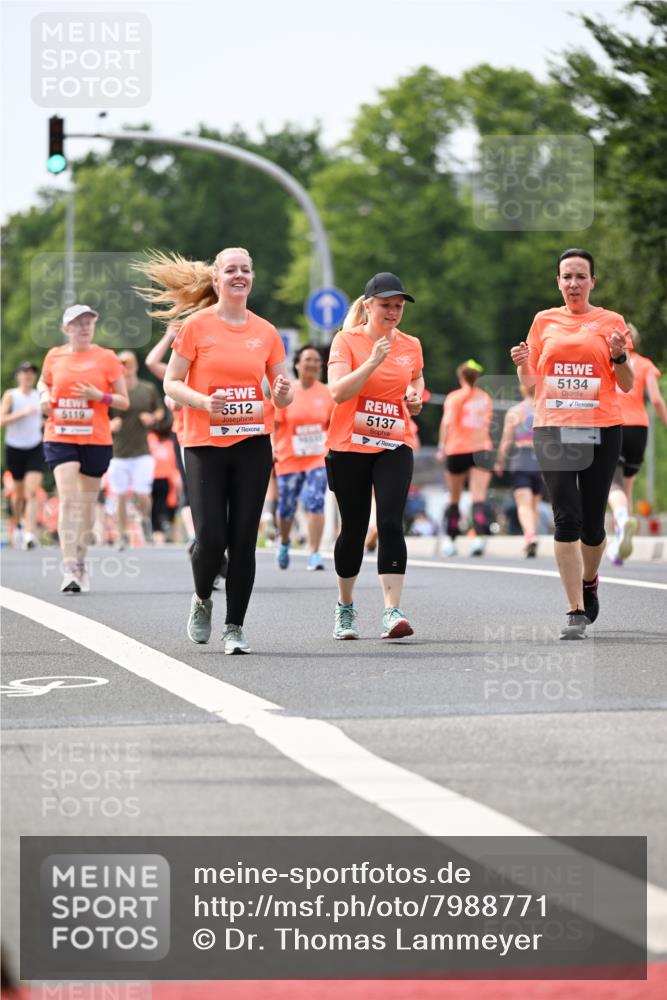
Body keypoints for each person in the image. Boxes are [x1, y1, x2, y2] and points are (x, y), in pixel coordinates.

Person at [134, 247, 292, 654]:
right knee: (211, 537)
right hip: (204, 443)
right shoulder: (197, 327)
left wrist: (282, 392)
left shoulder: (267, 332)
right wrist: (203, 402)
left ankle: (235, 627)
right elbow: (171, 382)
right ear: (217, 278)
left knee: (244, 539)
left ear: (252, 277)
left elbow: (281, 392)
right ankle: (202, 597)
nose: (239, 276)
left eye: (245, 270)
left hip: (253, 441)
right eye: (231, 270)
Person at [510, 248, 633, 639]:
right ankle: (574, 609)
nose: (574, 283)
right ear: (558, 282)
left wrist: (618, 357)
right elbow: (529, 384)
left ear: (592, 281)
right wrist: (521, 363)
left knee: (593, 523)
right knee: (566, 516)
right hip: (553, 428)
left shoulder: (611, 322)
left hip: (601, 427)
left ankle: (590, 579)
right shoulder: (543, 321)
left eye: (581, 276)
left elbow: (628, 385)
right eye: (567, 276)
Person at [327, 272, 424, 640]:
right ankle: (345, 607)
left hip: (393, 444)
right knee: (353, 530)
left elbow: (415, 379)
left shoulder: (410, 344)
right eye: (386, 305)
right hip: (349, 445)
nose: (393, 312)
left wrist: (415, 397)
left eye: (398, 306)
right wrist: (371, 361)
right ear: (368, 306)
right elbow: (338, 392)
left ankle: (391, 611)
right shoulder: (346, 341)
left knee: (390, 522)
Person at [37, 305, 129, 592]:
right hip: (60, 434)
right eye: (78, 323)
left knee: (87, 504)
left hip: (95, 437)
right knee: (68, 498)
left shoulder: (107, 358)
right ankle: (69, 567)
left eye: (89, 322)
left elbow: (123, 402)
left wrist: (97, 396)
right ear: (67, 329)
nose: (84, 327)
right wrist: (43, 394)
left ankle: (81, 559)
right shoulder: (54, 355)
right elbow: (44, 381)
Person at [607, 323, 667, 565]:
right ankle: (619, 545)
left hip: (613, 424)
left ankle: (621, 520)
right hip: (639, 428)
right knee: (627, 486)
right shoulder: (645, 365)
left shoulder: (607, 361)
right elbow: (656, 400)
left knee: (612, 483)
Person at [273, 344, 334, 571]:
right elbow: (273, 424)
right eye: (307, 359)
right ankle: (285, 542)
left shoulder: (327, 393)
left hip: (317, 457)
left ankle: (314, 552)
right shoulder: (288, 392)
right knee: (286, 507)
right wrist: (272, 449)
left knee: (316, 500)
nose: (312, 364)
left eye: (316, 360)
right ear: (297, 364)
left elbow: (332, 425)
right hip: (289, 457)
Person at [437, 360, 494, 557]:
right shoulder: (485, 398)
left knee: (455, 498)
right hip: (481, 449)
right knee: (479, 497)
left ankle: (451, 541)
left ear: (461, 377)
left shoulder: (454, 397)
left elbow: (447, 423)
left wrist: (441, 447)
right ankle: (478, 539)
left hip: (457, 449)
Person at [108, 351, 163, 548]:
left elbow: (159, 409)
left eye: (129, 363)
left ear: (135, 366)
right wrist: (110, 423)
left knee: (143, 493)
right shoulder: (112, 390)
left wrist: (153, 418)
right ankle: (122, 534)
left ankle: (144, 517)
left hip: (142, 451)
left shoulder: (147, 389)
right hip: (119, 452)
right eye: (122, 364)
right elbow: (102, 414)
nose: (126, 367)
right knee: (120, 495)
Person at [494, 384, 542, 557]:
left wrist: (499, 461)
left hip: (521, 459)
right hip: (541, 459)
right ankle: (533, 535)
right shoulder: (544, 409)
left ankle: (529, 537)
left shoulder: (515, 411)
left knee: (523, 504)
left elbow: (506, 439)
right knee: (535, 503)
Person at [0, 362, 44, 548]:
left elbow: (45, 419)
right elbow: (2, 420)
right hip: (15, 447)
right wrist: (22, 414)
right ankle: (17, 524)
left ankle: (29, 533)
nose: (28, 376)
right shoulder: (11, 395)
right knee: (18, 494)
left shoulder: (39, 396)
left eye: (31, 373)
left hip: (35, 446)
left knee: (31, 491)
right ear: (18, 375)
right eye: (24, 373)